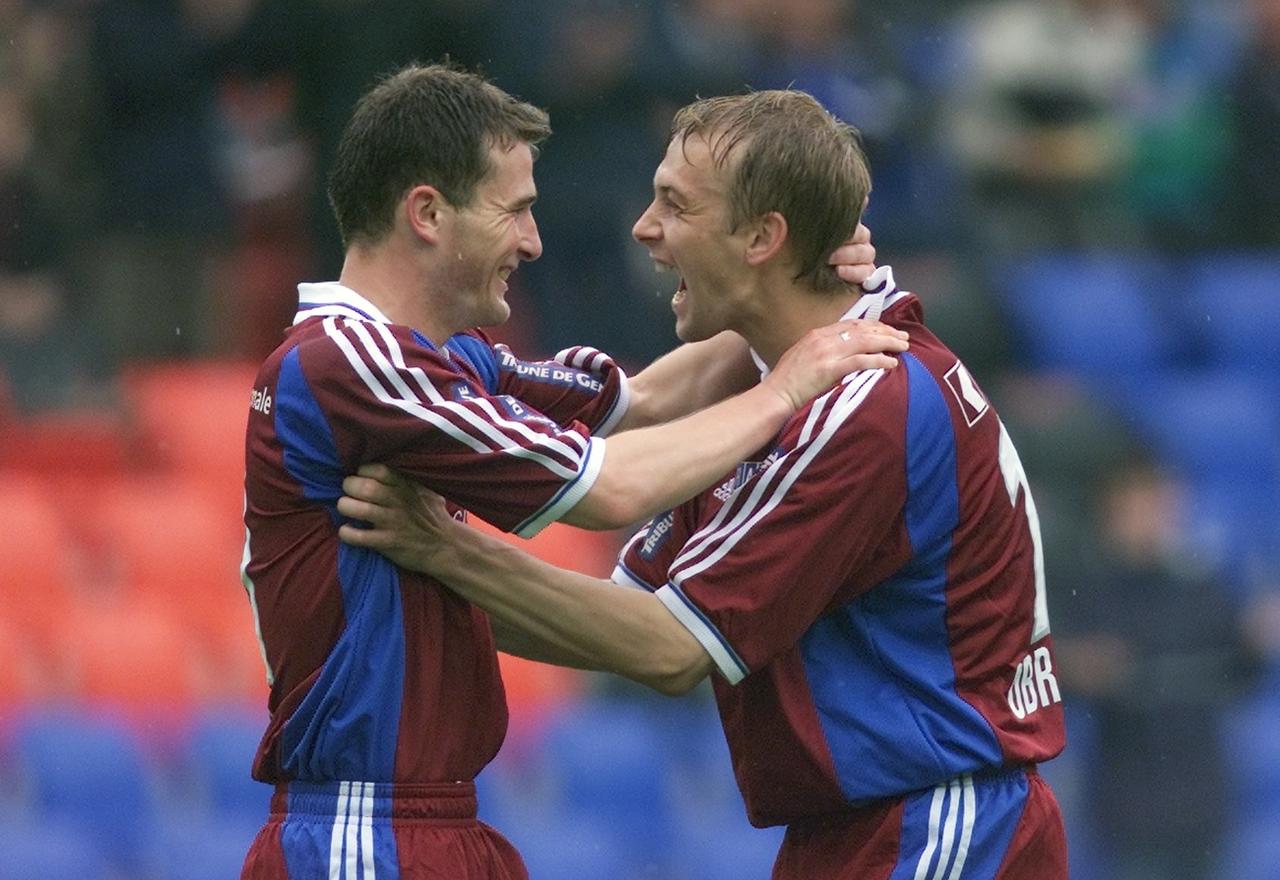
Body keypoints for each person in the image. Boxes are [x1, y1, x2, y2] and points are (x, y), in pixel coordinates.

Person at [338, 89, 1069, 879]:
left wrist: (444, 552)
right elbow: (621, 621)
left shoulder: (861, 402)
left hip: (941, 825)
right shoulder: (773, 385)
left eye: (674, 207)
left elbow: (671, 648)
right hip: (861, 831)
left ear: (762, 236)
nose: (644, 230)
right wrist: (391, 575)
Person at [239, 62, 903, 880]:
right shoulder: (349, 360)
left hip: (434, 823)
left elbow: (644, 402)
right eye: (515, 210)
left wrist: (792, 283)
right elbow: (610, 488)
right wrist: (785, 392)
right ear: (428, 213)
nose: (532, 241)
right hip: (360, 829)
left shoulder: (440, 365)